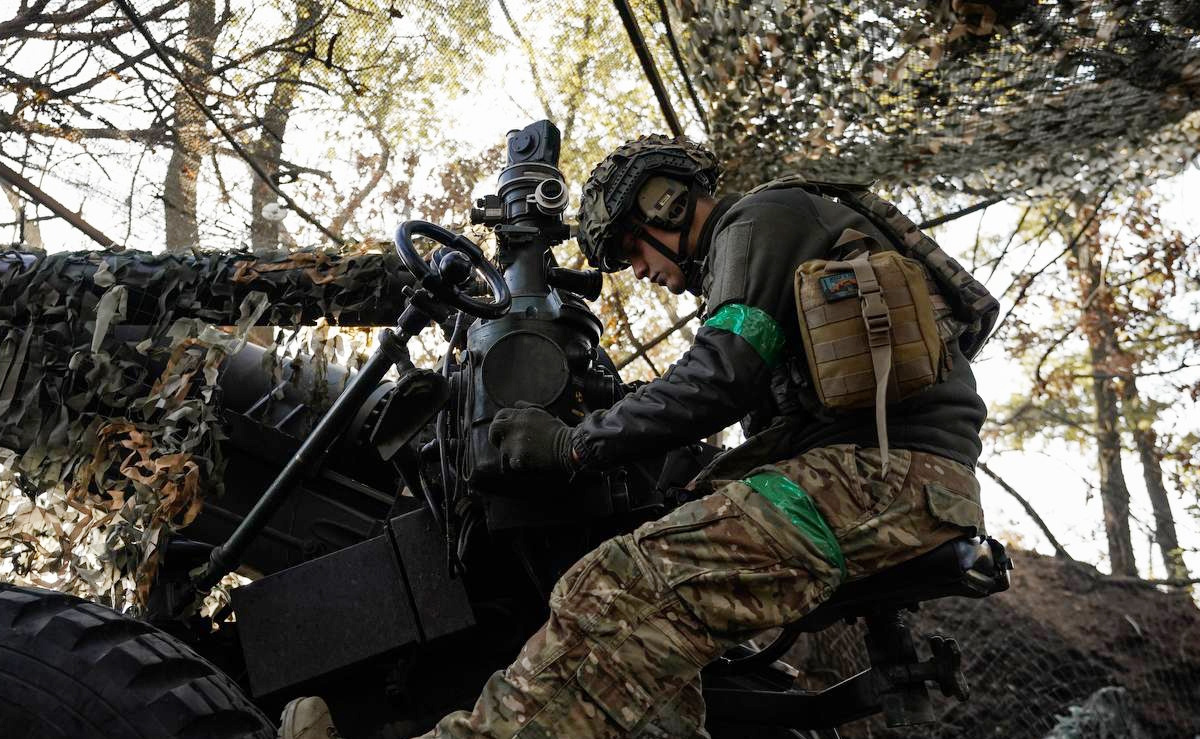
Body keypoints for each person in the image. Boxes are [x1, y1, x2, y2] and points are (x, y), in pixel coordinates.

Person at [282, 135, 990, 738]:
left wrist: (572, 443)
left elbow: (719, 377)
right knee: (659, 645)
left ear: (666, 204)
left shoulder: (758, 221)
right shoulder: (768, 241)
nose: (643, 273)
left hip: (883, 476)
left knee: (620, 586)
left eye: (632, 248)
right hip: (882, 478)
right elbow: (727, 394)